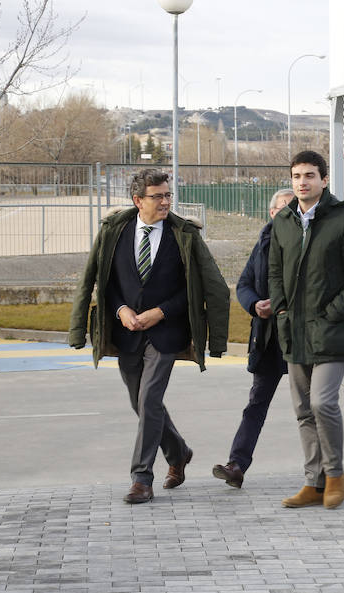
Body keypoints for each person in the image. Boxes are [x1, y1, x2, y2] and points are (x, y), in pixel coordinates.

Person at [69, 169, 230, 504]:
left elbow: (198, 286)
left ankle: (142, 478)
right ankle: (179, 451)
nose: (166, 202)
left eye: (168, 195)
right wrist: (121, 311)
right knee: (139, 403)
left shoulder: (183, 235)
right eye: (158, 196)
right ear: (138, 200)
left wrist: (161, 312)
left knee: (149, 400)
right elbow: (103, 282)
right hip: (127, 333)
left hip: (167, 334)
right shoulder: (115, 231)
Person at [268, 150, 344, 510]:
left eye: (310, 175)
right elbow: (274, 272)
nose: (302, 182)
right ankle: (313, 483)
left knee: (322, 402)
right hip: (294, 331)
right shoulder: (283, 221)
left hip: (330, 331)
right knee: (302, 409)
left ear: (324, 180)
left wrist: (332, 313)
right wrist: (281, 309)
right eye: (297, 175)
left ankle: (335, 476)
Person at [212, 189, 293, 488]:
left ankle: (325, 470)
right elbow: (244, 283)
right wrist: (254, 304)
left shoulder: (305, 242)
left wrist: (282, 302)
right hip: (268, 339)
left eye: (292, 208)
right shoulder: (264, 242)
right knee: (256, 405)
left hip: (298, 338)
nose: (286, 213)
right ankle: (236, 465)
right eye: (281, 209)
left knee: (311, 408)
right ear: (271, 214)